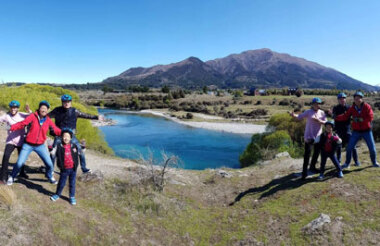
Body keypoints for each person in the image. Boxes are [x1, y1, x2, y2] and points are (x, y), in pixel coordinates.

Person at [7, 101, 61, 185]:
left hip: (40, 146)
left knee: (50, 164)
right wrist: (11, 127)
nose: (43, 110)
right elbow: (22, 124)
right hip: (28, 145)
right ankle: (12, 176)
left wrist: (64, 133)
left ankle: (49, 175)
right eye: (42, 108)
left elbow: (55, 129)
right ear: (39, 109)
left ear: (47, 110)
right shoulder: (33, 116)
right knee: (19, 163)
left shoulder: (48, 120)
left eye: (45, 108)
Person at [48, 94, 102, 174]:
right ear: (62, 102)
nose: (67, 103)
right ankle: (51, 170)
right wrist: (51, 128)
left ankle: (84, 168)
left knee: (80, 151)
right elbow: (46, 117)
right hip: (59, 135)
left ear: (71, 102)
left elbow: (85, 115)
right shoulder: (57, 110)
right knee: (53, 152)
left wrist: (96, 117)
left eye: (68, 102)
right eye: (65, 102)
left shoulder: (74, 111)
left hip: (71, 136)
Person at [336, 91, 379, 168]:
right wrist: (336, 117)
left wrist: (360, 119)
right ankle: (347, 163)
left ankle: (374, 162)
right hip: (356, 131)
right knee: (349, 148)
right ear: (354, 100)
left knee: (372, 148)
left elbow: (370, 117)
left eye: (359, 98)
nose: (357, 100)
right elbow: (345, 116)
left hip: (367, 131)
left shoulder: (367, 106)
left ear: (362, 99)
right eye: (356, 99)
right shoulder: (352, 108)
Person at [290, 97, 327, 180]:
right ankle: (304, 172)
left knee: (316, 153)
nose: (317, 105)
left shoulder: (322, 113)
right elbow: (300, 116)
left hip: (318, 136)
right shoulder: (308, 112)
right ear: (312, 104)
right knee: (307, 154)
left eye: (318, 103)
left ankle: (312, 167)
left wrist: (318, 121)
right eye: (315, 104)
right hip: (309, 136)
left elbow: (325, 122)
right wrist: (293, 115)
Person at [0, 100, 31, 183]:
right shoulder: (6, 116)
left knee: (22, 158)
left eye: (15, 107)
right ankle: (3, 177)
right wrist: (4, 126)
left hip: (21, 140)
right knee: (6, 157)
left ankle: (22, 172)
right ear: (10, 108)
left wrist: (29, 111)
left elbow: (32, 117)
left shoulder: (22, 114)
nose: (13, 109)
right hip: (11, 140)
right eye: (12, 107)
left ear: (18, 108)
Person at [50, 128, 79, 205]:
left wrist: (76, 165)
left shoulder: (74, 146)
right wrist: (51, 150)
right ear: (61, 137)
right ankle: (57, 194)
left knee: (72, 183)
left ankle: (72, 196)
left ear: (71, 138)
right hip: (64, 169)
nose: (66, 138)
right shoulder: (59, 146)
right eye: (64, 136)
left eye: (68, 136)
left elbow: (76, 156)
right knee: (61, 183)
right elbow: (53, 153)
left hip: (73, 169)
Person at [331, 92, 359, 166]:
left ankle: (356, 161)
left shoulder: (349, 108)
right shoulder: (335, 108)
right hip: (338, 130)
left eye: (343, 98)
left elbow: (354, 117)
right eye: (340, 99)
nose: (342, 100)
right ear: (338, 100)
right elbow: (334, 117)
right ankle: (339, 161)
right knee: (338, 146)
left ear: (345, 99)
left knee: (353, 146)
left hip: (347, 129)